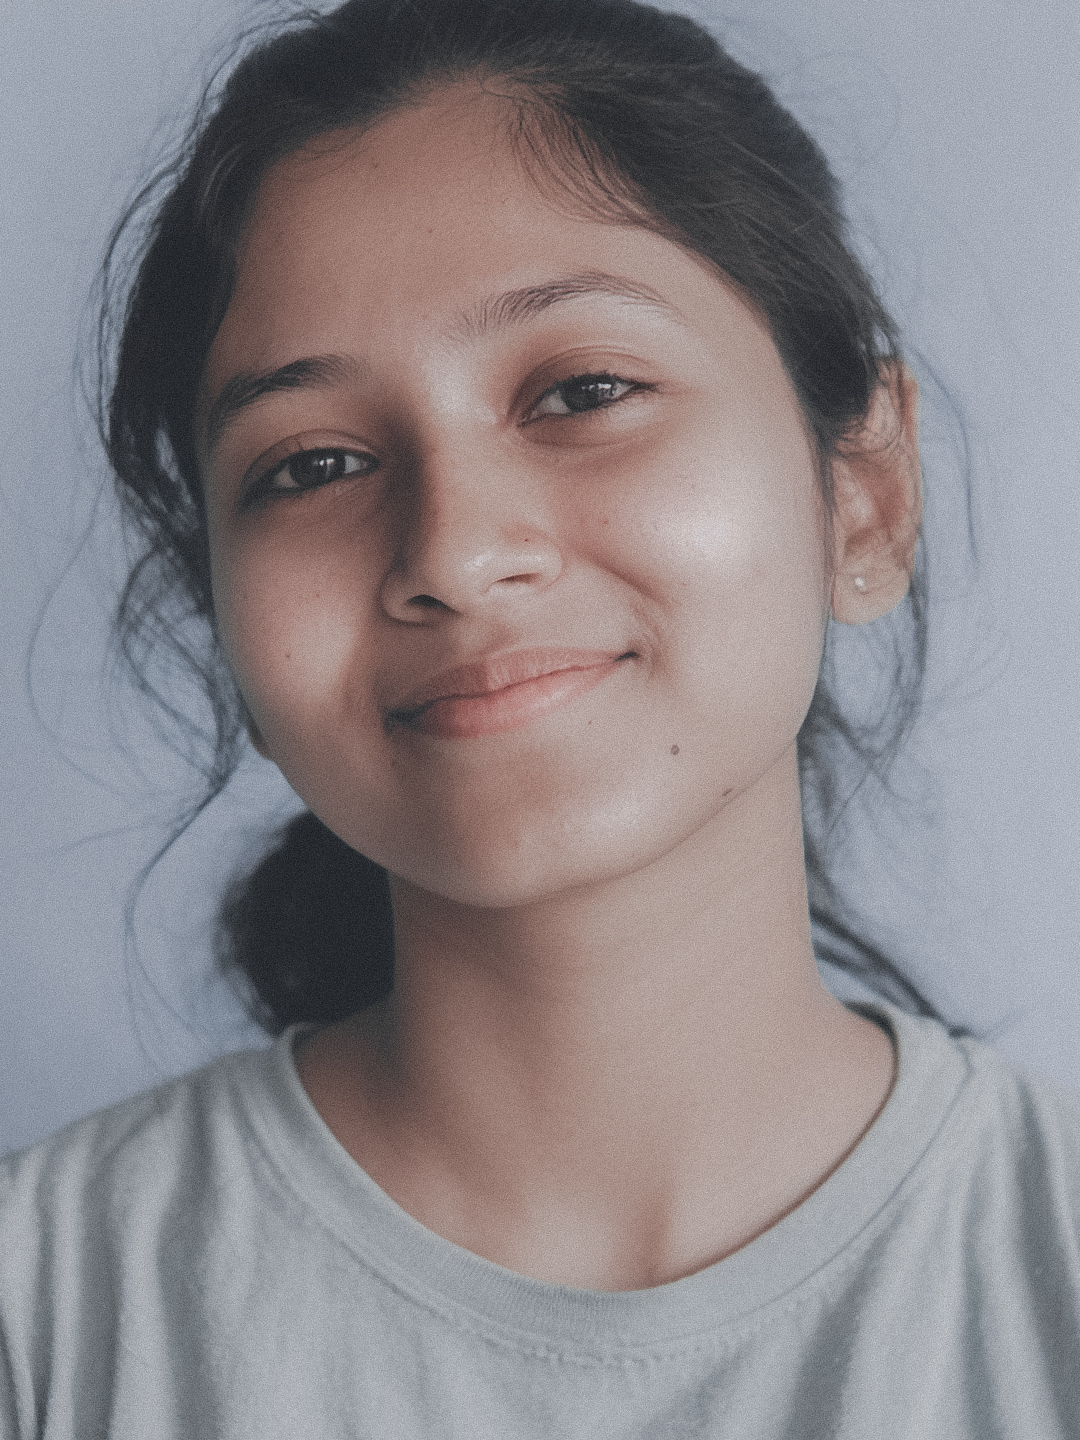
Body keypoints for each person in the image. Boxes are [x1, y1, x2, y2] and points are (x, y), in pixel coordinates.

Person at [2, 0, 1078, 1434]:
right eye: (313, 464)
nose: (452, 553)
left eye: (584, 389)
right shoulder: (45, 1317)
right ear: (222, 620)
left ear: (864, 493)